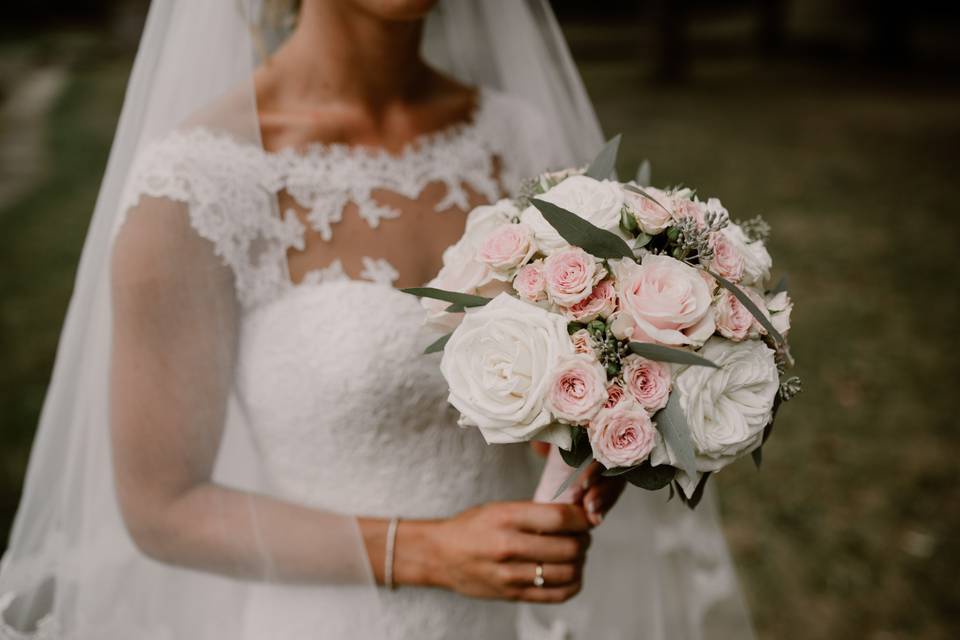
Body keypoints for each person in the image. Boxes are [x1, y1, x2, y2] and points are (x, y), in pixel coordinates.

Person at [0, 1, 754, 638]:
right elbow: (162, 509)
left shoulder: (519, 137)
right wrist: (427, 552)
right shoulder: (196, 187)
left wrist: (601, 432)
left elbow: (557, 400)